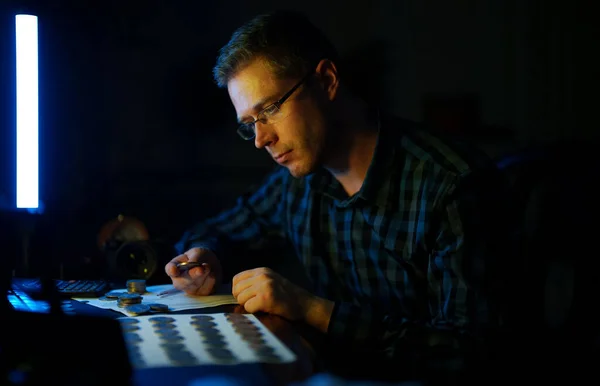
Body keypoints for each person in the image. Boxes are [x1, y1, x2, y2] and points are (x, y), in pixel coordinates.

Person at [165, 9, 506, 380]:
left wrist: (312, 309)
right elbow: (220, 232)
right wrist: (203, 258)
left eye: (271, 109)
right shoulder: (296, 183)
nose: (262, 139)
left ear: (327, 81)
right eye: (250, 124)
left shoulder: (451, 184)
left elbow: (469, 352)